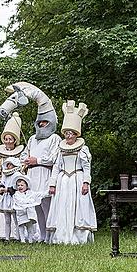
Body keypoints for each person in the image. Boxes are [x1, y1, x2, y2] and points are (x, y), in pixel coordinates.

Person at [46, 101, 97, 245]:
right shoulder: (60, 148)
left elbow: (87, 167)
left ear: (76, 134)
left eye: (71, 134)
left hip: (77, 179)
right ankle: (61, 236)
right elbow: (56, 167)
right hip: (63, 181)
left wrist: (86, 182)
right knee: (62, 206)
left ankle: (78, 236)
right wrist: (52, 183)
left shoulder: (83, 149)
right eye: (66, 133)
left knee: (78, 206)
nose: (68, 136)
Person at [21, 114, 62, 243]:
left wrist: (37, 160)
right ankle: (42, 235)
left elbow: (54, 158)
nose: (42, 124)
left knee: (46, 205)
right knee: (36, 206)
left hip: (44, 172)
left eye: (45, 122)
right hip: (32, 174)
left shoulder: (55, 138)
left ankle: (52, 236)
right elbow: (24, 153)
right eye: (40, 122)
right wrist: (25, 160)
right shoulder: (32, 139)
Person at [0, 156, 23, 242]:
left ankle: (18, 237)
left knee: (16, 219)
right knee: (7, 220)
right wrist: (0, 188)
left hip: (13, 198)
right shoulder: (5, 175)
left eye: (10, 164)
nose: (8, 166)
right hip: (6, 198)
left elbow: (18, 186)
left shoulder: (17, 174)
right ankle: (7, 237)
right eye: (7, 164)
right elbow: (2, 183)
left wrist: (9, 189)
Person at [11, 173, 42, 243]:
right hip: (21, 213)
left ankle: (30, 239)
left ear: (26, 186)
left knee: (30, 227)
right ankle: (22, 239)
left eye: (22, 185)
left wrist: (47, 192)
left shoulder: (30, 193)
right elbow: (20, 201)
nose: (20, 187)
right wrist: (29, 202)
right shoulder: (16, 194)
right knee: (21, 226)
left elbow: (39, 195)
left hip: (29, 213)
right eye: (18, 185)